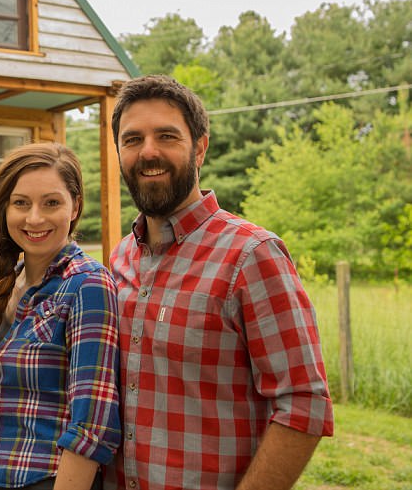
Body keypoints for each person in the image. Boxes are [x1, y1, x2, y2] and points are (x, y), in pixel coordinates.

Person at [104, 75, 334, 490]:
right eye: (132, 139)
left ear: (200, 148)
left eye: (167, 136)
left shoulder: (251, 255)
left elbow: (304, 404)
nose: (148, 151)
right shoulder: (120, 258)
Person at [0, 142, 122, 490]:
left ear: (75, 206)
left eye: (51, 203)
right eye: (21, 203)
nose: (34, 218)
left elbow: (93, 425)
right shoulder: (8, 282)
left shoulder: (87, 285)